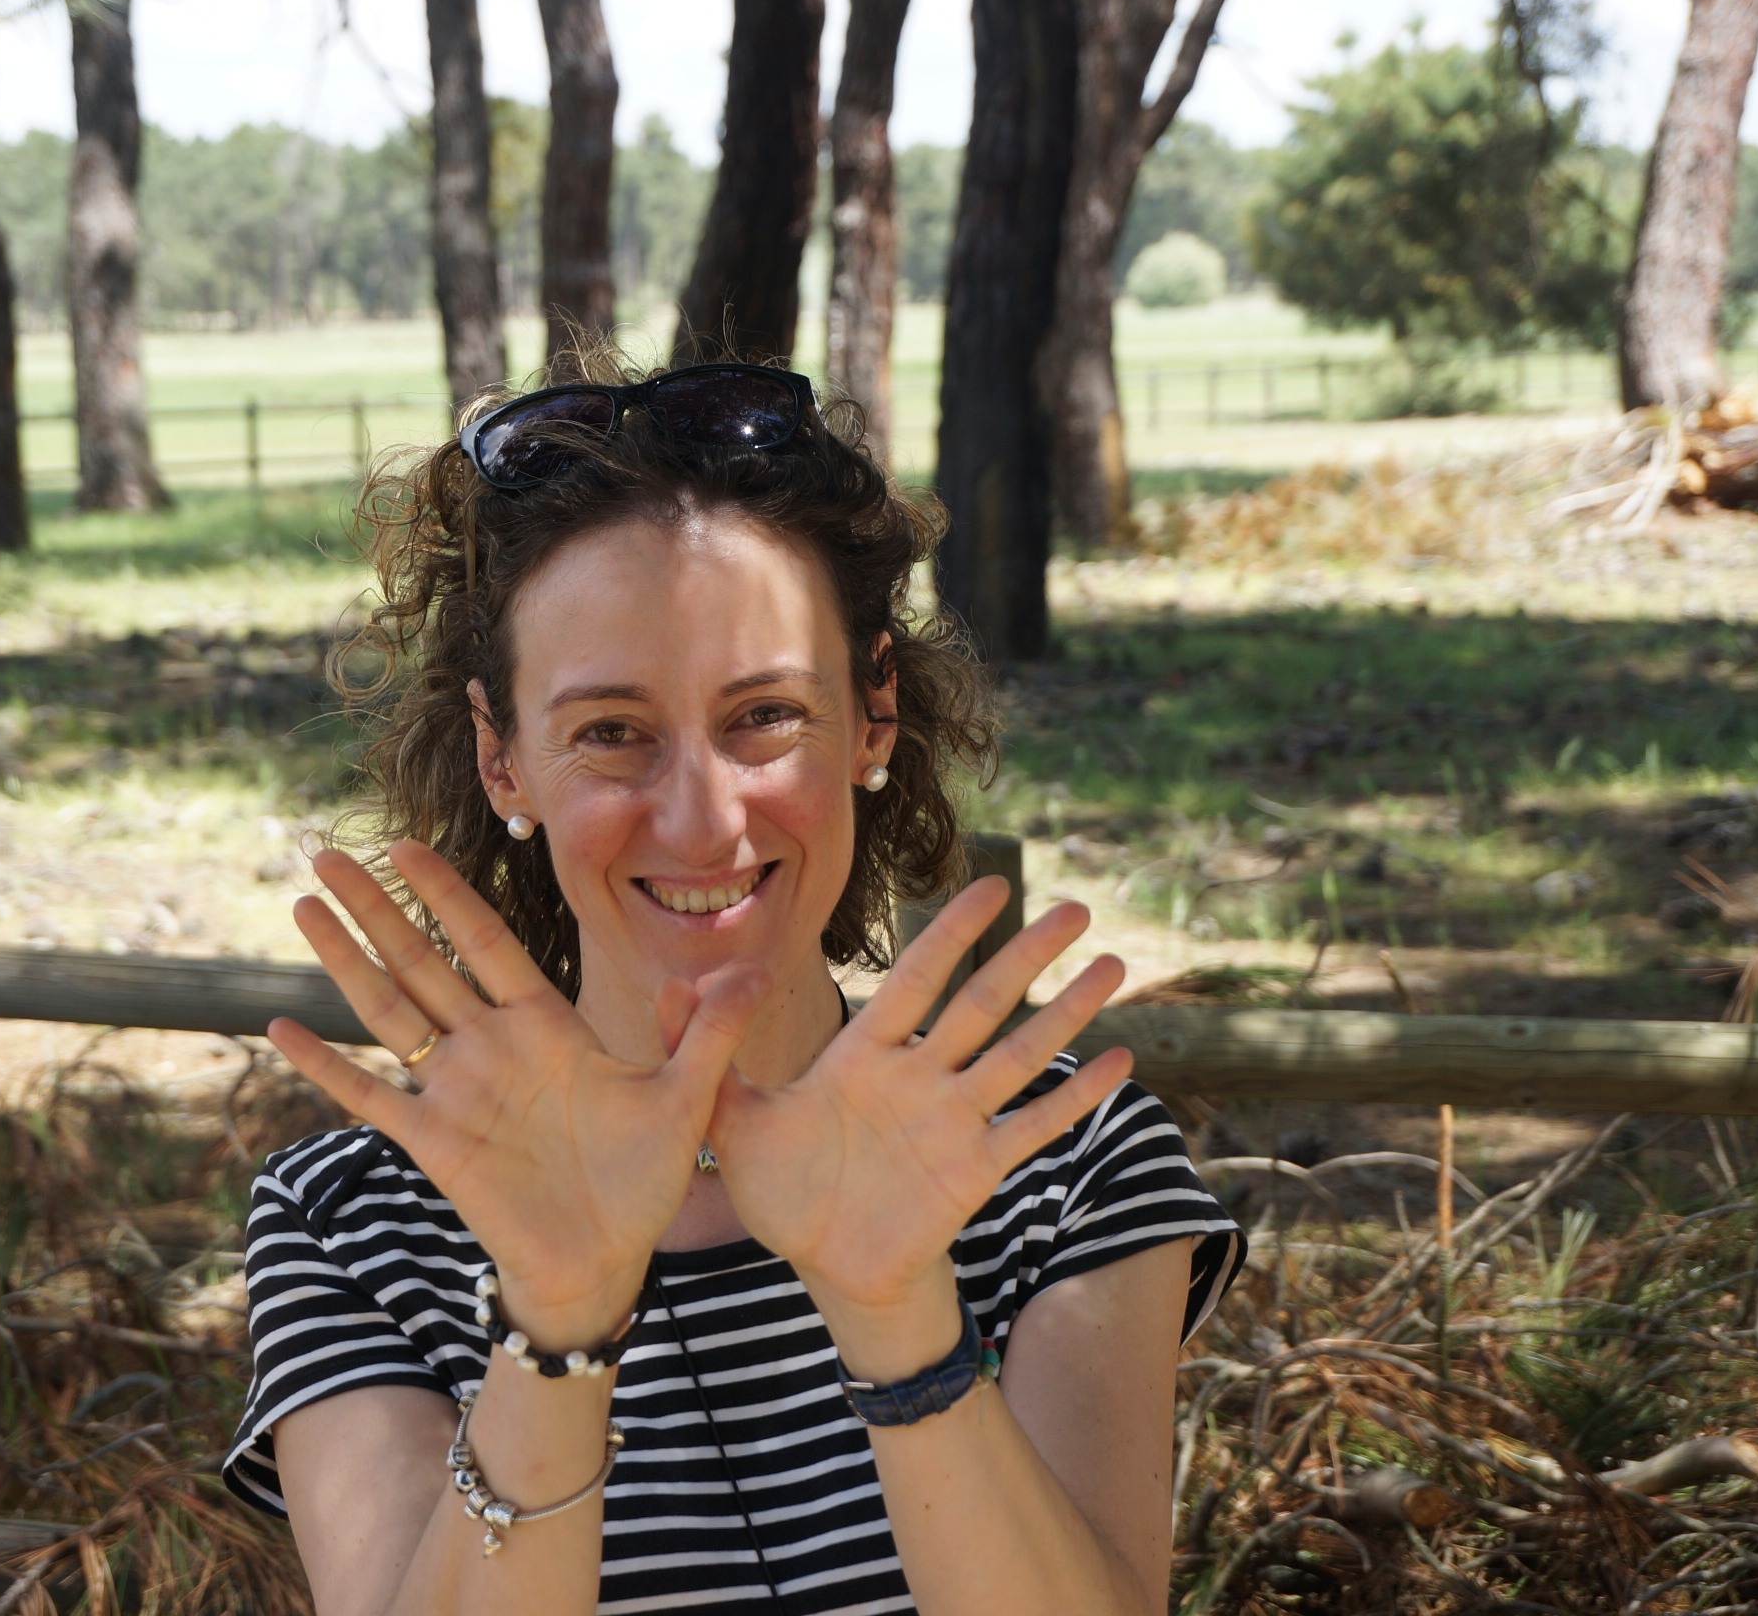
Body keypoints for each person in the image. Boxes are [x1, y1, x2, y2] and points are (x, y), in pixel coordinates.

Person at [222, 357, 1243, 1616]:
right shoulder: (350, 1223)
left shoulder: (1057, 1156)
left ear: (870, 716)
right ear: (503, 761)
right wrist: (556, 1325)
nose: (702, 821)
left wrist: (895, 1317)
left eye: (762, 716)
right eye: (609, 731)